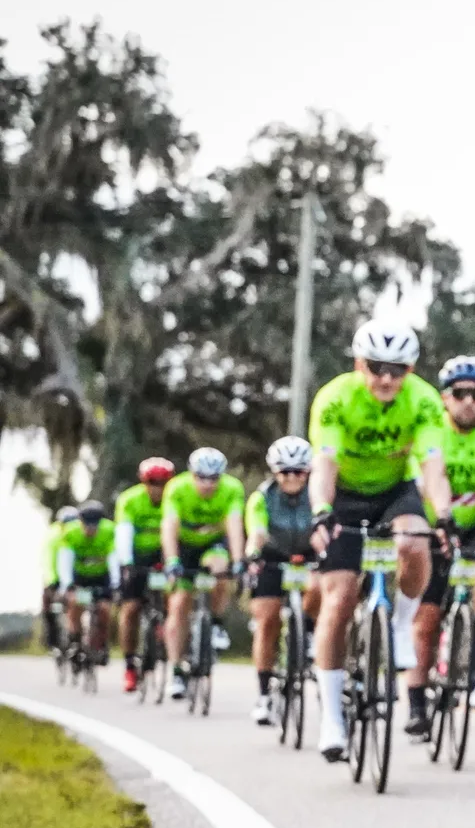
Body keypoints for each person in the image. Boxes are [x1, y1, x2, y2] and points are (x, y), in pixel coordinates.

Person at [306, 319, 454, 762]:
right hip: (344, 496)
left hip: (394, 490)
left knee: (414, 542)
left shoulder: (425, 401)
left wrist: (443, 515)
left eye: (398, 368)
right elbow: (325, 464)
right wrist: (320, 512)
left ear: (410, 370)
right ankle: (332, 716)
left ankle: (401, 624)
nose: (386, 378)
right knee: (340, 598)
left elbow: (432, 467)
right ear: (358, 364)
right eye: (376, 367)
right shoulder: (335, 398)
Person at [410, 356, 475, 716]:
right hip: (433, 524)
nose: (468, 401)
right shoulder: (430, 430)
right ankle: (415, 700)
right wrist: (436, 526)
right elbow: (425, 482)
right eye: (460, 393)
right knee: (425, 620)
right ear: (445, 397)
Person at [244, 437, 319, 725]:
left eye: (298, 471)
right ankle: (263, 695)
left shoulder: (316, 494)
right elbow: (258, 531)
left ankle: (309, 632)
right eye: (284, 471)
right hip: (272, 556)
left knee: (317, 586)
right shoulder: (262, 497)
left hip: (308, 553)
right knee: (266, 622)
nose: (291, 478)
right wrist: (252, 553)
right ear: (275, 472)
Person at [161, 449, 246, 697]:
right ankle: (176, 670)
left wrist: (239, 560)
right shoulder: (176, 488)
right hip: (185, 545)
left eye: (213, 478)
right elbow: (169, 526)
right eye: (201, 477)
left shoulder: (232, 488)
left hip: (213, 543)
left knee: (221, 568)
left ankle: (217, 623)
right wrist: (172, 560)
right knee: (178, 606)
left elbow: (234, 524)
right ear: (191, 474)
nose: (207, 483)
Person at [114, 458, 174, 691]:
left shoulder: (174, 498)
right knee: (130, 609)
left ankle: (166, 625)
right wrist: (126, 562)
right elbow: (123, 532)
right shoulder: (130, 500)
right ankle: (129, 665)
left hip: (164, 553)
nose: (157, 488)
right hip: (137, 556)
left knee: (176, 594)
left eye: (162, 483)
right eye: (152, 482)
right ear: (143, 481)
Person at [56, 501, 120, 661]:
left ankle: (102, 644)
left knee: (104, 610)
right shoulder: (71, 532)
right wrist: (67, 584)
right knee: (75, 603)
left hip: (101, 577)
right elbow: (65, 559)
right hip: (79, 577)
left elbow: (114, 558)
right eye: (87, 525)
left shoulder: (109, 530)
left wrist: (116, 583)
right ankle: (75, 638)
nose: (90, 529)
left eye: (94, 525)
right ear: (80, 522)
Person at [42, 505, 79, 653]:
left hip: (75, 577)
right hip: (55, 576)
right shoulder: (53, 536)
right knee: (47, 602)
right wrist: (52, 581)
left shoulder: (78, 535)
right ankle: (52, 640)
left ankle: (76, 636)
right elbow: (48, 561)